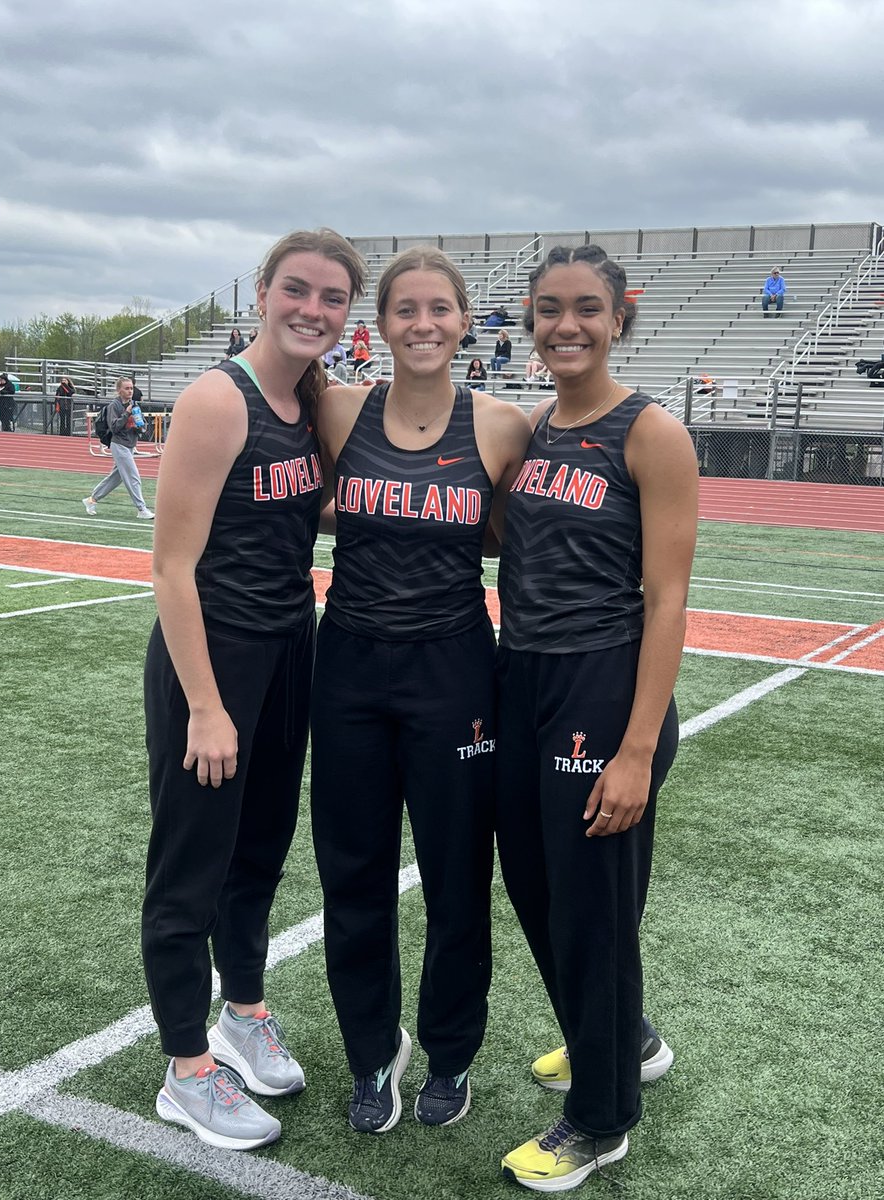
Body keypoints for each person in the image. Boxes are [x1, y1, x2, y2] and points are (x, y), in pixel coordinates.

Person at [141, 228, 368, 1152]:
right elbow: (171, 566)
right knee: (191, 860)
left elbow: (297, 507)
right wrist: (204, 703)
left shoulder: (307, 400)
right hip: (216, 658)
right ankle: (187, 1069)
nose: (313, 309)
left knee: (261, 849)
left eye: (332, 297)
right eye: (297, 290)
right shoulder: (215, 398)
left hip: (288, 648)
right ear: (263, 292)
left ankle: (243, 1010)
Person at [310, 246, 530, 1136]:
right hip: (350, 666)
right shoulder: (338, 409)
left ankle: (450, 1052)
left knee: (454, 876)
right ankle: (373, 1053)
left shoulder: (504, 426)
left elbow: (517, 538)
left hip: (453, 671)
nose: (424, 324)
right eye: (406, 309)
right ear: (382, 323)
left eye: (440, 309)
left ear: (465, 320)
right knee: (351, 871)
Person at [495, 244, 698, 1191]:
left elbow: (667, 600)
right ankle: (621, 1038)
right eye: (547, 309)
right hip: (521, 679)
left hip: (602, 688)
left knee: (591, 909)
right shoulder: (535, 425)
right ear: (528, 321)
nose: (565, 326)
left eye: (585, 309)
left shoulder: (651, 433)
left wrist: (637, 748)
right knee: (538, 890)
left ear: (620, 316)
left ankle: (602, 1116)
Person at [82, 378, 155, 518]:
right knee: (133, 477)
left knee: (116, 478)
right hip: (119, 444)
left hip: (130, 445)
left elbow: (143, 426)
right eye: (127, 388)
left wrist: (139, 426)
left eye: (131, 388)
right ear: (119, 390)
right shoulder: (114, 406)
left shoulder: (134, 405)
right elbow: (114, 427)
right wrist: (127, 414)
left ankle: (91, 500)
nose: (130, 391)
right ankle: (141, 509)